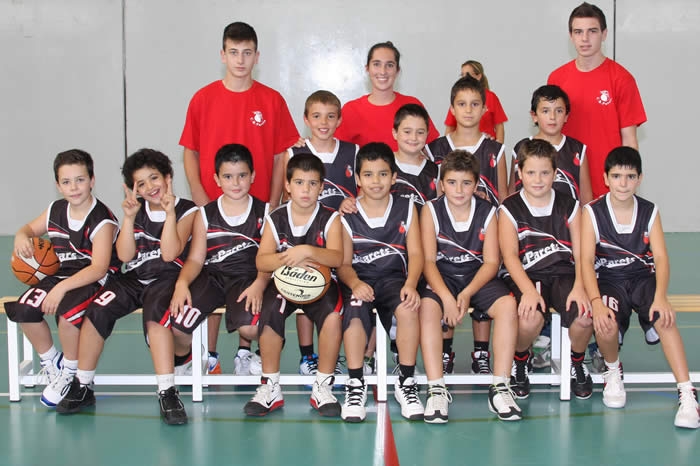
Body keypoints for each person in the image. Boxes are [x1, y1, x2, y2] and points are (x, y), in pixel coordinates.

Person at [179, 21, 300, 373]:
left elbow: (280, 156)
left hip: (257, 210)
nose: (240, 60)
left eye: (247, 53)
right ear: (223, 55)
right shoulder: (203, 98)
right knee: (212, 270)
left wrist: (275, 203)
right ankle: (210, 354)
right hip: (214, 208)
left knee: (249, 273)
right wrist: (201, 198)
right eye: (234, 52)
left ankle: (246, 352)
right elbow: (190, 151)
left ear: (257, 56)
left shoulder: (272, 100)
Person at [56, 149, 198, 426]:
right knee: (97, 310)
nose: (149, 187)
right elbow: (124, 256)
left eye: (154, 178)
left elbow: (170, 253)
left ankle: (167, 392)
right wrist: (130, 218)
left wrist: (169, 214)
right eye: (141, 183)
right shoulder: (136, 210)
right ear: (135, 189)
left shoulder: (187, 210)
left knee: (156, 318)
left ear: (168, 177)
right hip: (133, 279)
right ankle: (82, 384)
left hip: (166, 278)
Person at [580, 147, 699, 429]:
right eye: (616, 176)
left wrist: (661, 297)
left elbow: (661, 258)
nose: (623, 183)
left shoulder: (649, 211)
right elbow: (585, 260)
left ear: (640, 178)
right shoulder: (592, 212)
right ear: (605, 178)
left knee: (664, 317)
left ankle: (687, 393)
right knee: (604, 323)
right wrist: (595, 301)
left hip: (643, 278)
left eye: (630, 176)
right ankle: (613, 371)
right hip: (609, 281)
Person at [6, 150, 119, 408]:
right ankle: (52, 362)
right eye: (66, 182)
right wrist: (21, 237)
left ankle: (70, 370)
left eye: (80, 180)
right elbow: (28, 229)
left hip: (96, 278)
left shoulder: (102, 219)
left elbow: (99, 268)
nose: (74, 187)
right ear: (58, 185)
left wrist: (60, 289)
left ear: (92, 180)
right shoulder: (55, 210)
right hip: (62, 273)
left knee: (67, 314)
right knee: (24, 309)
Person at [420, 150, 521, 422]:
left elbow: (491, 262)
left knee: (508, 306)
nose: (459, 190)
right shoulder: (431, 210)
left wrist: (466, 293)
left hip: (477, 277)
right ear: (442, 184)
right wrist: (446, 297)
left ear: (476, 185)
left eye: (466, 183)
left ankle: (500, 386)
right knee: (428, 309)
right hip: (443, 276)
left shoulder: (488, 212)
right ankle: (436, 388)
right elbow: (428, 261)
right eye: (452, 182)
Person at [244, 153, 344, 418]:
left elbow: (337, 257)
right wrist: (289, 257)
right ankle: (270, 385)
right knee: (269, 312)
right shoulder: (276, 217)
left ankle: (322, 385)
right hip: (283, 283)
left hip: (320, 284)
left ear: (321, 187)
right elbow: (262, 261)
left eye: (313, 183)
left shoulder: (330, 218)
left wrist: (308, 251)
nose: (306, 190)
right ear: (287, 185)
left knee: (333, 316)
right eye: (299, 182)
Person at [426, 75, 508, 375]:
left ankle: (481, 352)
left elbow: (504, 199)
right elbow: (432, 196)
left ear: (485, 109)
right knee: (446, 278)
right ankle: (445, 351)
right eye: (462, 104)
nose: (469, 110)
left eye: (475, 104)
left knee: (485, 280)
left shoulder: (496, 150)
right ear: (452, 109)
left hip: (484, 235)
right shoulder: (435, 149)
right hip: (448, 236)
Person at [499, 139, 593, 401]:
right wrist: (528, 291)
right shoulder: (509, 208)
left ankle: (576, 362)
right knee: (530, 318)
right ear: (519, 173)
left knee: (584, 317)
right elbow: (510, 257)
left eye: (544, 173)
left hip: (564, 274)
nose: (538, 179)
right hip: (528, 276)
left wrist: (580, 286)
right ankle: (520, 359)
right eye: (531, 172)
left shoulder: (569, 205)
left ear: (555, 173)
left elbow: (582, 254)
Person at [337, 143, 424, 422]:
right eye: (368, 174)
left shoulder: (407, 208)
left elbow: (417, 254)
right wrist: (354, 283)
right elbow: (343, 264)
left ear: (394, 177)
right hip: (360, 280)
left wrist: (411, 284)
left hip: (395, 279)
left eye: (383, 174)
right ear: (358, 179)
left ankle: (406, 381)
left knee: (408, 308)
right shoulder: (347, 214)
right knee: (354, 312)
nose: (376, 181)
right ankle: (355, 382)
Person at [170, 144, 272, 377]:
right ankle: (188, 359)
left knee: (252, 328)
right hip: (213, 279)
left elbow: (269, 259)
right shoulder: (205, 214)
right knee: (177, 327)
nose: (235, 183)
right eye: (228, 177)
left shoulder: (265, 212)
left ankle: (262, 351)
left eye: (242, 175)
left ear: (253, 176)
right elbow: (195, 259)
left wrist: (260, 283)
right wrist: (181, 283)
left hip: (247, 278)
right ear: (217, 179)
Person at [284, 90, 359, 377]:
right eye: (316, 116)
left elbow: (364, 192)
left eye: (330, 116)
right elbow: (285, 196)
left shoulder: (353, 152)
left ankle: (336, 356)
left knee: (338, 299)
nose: (323, 123)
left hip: (342, 239)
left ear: (339, 120)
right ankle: (308, 356)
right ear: (306, 119)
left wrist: (351, 201)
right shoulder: (295, 153)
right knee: (304, 291)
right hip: (305, 238)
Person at [547, 2, 646, 198]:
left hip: (607, 186)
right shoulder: (557, 78)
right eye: (578, 32)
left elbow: (629, 141)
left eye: (592, 31)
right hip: (565, 183)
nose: (585, 38)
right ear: (571, 36)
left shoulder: (622, 79)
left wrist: (624, 183)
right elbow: (548, 132)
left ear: (604, 34)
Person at [334, 41, 439, 150]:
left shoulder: (413, 105)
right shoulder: (350, 110)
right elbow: (338, 153)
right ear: (367, 68)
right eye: (376, 64)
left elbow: (433, 151)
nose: (383, 71)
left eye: (389, 65)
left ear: (397, 71)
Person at [509, 85, 592, 204]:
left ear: (566, 116)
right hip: (526, 216)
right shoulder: (521, 148)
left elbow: (586, 198)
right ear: (534, 116)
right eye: (545, 111)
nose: (552, 117)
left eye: (559, 111)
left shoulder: (577, 149)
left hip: (567, 215)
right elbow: (512, 192)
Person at [443, 60, 508, 143]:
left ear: (479, 76)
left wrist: (498, 147)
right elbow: (450, 127)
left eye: (475, 104)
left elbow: (499, 126)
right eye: (462, 75)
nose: (468, 110)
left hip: (486, 146)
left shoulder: (491, 97)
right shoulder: (458, 98)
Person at [391, 103, 439, 206]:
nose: (413, 138)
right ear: (395, 133)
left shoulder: (435, 171)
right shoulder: (384, 165)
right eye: (407, 132)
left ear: (427, 134)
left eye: (420, 132)